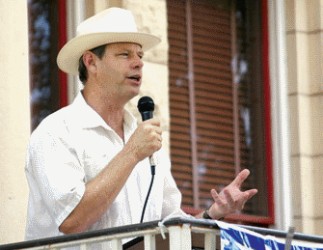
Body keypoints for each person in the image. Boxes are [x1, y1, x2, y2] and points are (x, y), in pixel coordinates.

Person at [25, 7, 258, 242]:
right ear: (91, 62)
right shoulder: (56, 132)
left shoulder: (143, 138)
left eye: (140, 55)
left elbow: (171, 226)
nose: (138, 63)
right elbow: (71, 220)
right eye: (125, 55)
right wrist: (132, 152)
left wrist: (214, 212)